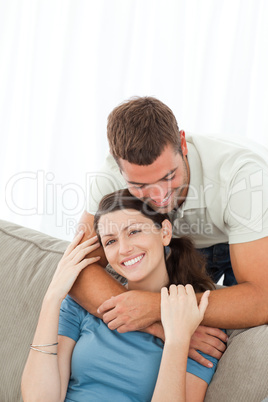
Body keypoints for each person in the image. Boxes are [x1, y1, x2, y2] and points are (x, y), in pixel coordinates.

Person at [70, 96, 268, 369]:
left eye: (168, 176)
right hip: (179, 240)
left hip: (249, 236)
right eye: (140, 185)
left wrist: (157, 307)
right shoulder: (109, 179)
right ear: (119, 169)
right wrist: (162, 325)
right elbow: (76, 269)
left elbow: (262, 299)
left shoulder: (243, 175)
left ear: (183, 144)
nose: (159, 197)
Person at [21, 190, 216, 402]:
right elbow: (38, 399)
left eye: (134, 232)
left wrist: (177, 340)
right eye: (111, 241)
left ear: (165, 232)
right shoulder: (81, 304)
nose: (124, 249)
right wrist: (52, 297)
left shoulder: (195, 322)